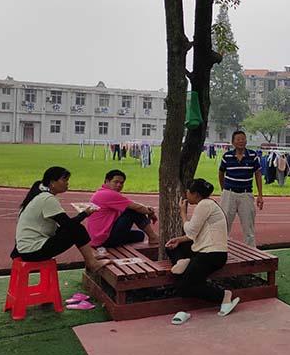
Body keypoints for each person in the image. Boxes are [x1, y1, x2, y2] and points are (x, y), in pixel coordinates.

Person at [12, 166, 110, 272]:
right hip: (33, 251)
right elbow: (68, 225)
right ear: (52, 182)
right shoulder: (47, 199)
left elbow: (62, 226)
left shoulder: (38, 196)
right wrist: (84, 214)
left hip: (26, 250)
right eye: (64, 180)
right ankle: (92, 263)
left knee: (73, 229)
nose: (67, 183)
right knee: (77, 229)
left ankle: (92, 256)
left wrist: (84, 214)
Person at [165, 179, 239, 316]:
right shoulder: (207, 204)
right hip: (202, 250)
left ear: (196, 194)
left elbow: (191, 230)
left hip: (212, 254)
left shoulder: (204, 205)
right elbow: (197, 233)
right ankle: (183, 260)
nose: (186, 194)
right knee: (171, 246)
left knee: (183, 287)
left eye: (188, 191)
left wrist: (182, 213)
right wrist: (180, 240)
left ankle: (224, 295)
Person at [86, 169, 158, 248]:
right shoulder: (108, 194)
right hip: (104, 240)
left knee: (139, 235)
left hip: (98, 238)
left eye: (121, 183)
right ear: (107, 181)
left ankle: (151, 237)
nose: (119, 185)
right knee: (132, 211)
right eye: (116, 182)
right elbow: (137, 207)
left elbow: (132, 205)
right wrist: (151, 213)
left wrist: (146, 209)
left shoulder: (100, 192)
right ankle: (153, 237)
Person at [219, 130, 263, 247]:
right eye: (238, 139)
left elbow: (258, 174)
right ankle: (221, 251)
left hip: (246, 195)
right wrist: (224, 190)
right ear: (233, 142)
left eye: (243, 139)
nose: (241, 141)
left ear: (246, 141)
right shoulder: (227, 156)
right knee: (224, 225)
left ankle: (251, 252)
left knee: (249, 227)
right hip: (229, 194)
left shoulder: (253, 156)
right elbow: (221, 172)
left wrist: (260, 195)